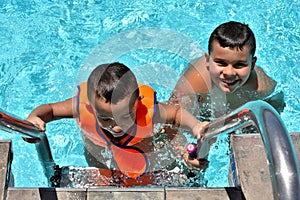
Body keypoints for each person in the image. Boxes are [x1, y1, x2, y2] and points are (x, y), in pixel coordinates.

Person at [26, 62, 208, 186]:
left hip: (139, 143)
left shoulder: (147, 110)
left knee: (154, 157)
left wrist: (195, 126)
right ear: (91, 108)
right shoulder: (82, 106)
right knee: (102, 167)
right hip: (99, 145)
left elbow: (175, 114)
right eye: (105, 118)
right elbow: (50, 110)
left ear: (138, 102)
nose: (116, 127)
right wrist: (35, 118)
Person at [169, 21, 285, 119]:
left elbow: (275, 107)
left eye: (239, 65)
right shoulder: (195, 81)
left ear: (252, 64)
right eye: (221, 63)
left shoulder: (262, 88)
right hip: (201, 106)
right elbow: (172, 118)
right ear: (208, 61)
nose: (229, 73)